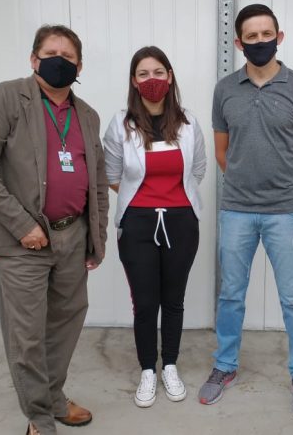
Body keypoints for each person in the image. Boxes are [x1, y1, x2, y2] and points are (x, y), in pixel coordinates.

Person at [0, 24, 109, 435]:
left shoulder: (87, 115)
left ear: (80, 66)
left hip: (73, 235)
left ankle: (54, 396)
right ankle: (39, 418)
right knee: (26, 334)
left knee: (65, 323)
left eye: (68, 56)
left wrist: (96, 238)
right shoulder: (6, 98)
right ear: (33, 59)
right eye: (50, 53)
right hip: (21, 240)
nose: (59, 61)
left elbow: (97, 181)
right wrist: (22, 223)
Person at [198, 3, 293, 417]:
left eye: (266, 34)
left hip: (284, 213)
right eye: (251, 36)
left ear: (279, 37)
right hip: (236, 211)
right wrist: (245, 186)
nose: (260, 41)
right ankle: (225, 365)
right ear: (239, 43)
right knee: (231, 294)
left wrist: (284, 190)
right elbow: (222, 153)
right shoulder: (225, 90)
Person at [102, 46, 206, 408]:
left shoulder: (189, 123)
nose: (152, 80)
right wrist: (143, 201)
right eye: (143, 74)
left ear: (170, 76)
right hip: (138, 224)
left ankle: (170, 366)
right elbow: (112, 174)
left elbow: (198, 170)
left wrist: (173, 199)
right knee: (145, 303)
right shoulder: (122, 123)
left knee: (173, 300)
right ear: (134, 81)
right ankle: (148, 369)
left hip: (181, 222)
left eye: (159, 72)